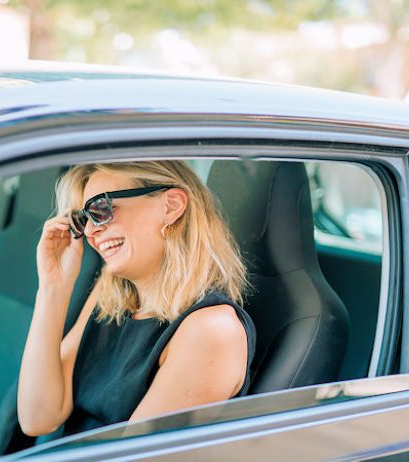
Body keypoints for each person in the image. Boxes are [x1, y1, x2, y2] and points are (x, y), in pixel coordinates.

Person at [17, 160, 255, 437]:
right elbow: (38, 418)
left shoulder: (211, 331)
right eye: (84, 219)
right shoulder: (109, 301)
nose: (91, 232)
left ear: (171, 206)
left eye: (101, 209)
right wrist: (52, 289)